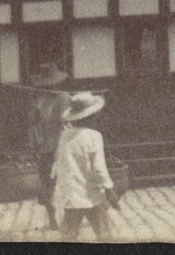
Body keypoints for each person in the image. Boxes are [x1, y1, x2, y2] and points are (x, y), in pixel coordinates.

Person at [52, 92, 120, 241]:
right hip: (91, 192)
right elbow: (99, 167)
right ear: (93, 116)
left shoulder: (64, 135)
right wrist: (109, 188)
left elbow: (58, 162)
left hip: (70, 192)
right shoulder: (94, 136)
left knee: (69, 235)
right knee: (104, 233)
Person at [28, 63, 70, 230]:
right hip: (49, 146)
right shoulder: (42, 100)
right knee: (48, 184)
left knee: (61, 182)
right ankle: (53, 220)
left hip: (59, 145)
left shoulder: (63, 97)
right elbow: (32, 122)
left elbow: (65, 120)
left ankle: (64, 219)